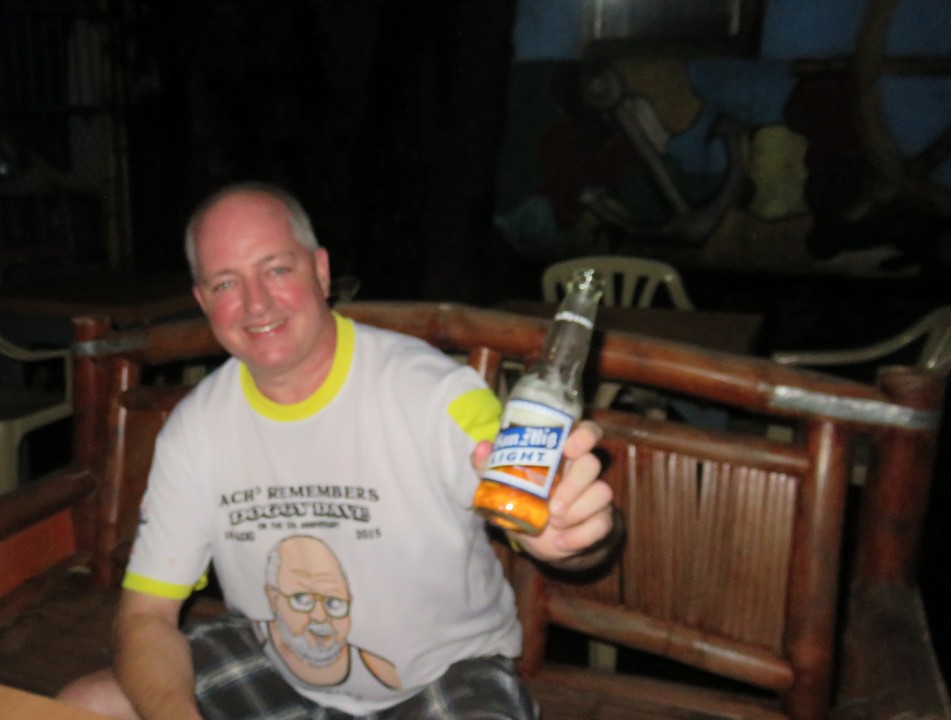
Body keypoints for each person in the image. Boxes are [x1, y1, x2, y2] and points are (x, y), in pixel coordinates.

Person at [57, 182, 617, 719]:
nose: (256, 303)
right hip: (280, 666)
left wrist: (576, 538)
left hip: (443, 678)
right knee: (87, 705)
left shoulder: (435, 394)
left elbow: (544, 513)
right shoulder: (195, 429)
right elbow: (145, 615)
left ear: (321, 271)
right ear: (203, 301)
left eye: (277, 269)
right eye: (226, 284)